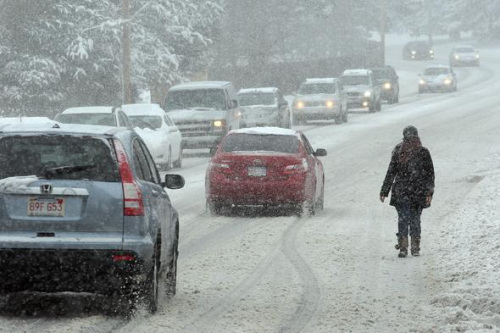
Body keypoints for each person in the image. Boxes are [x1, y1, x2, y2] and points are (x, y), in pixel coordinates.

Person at [380, 126, 435, 258]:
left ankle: (405, 247)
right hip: (414, 191)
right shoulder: (418, 152)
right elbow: (429, 175)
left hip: (406, 191)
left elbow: (429, 174)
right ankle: (412, 247)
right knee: (413, 219)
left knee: (405, 219)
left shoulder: (405, 151)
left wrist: (429, 192)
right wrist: (384, 190)